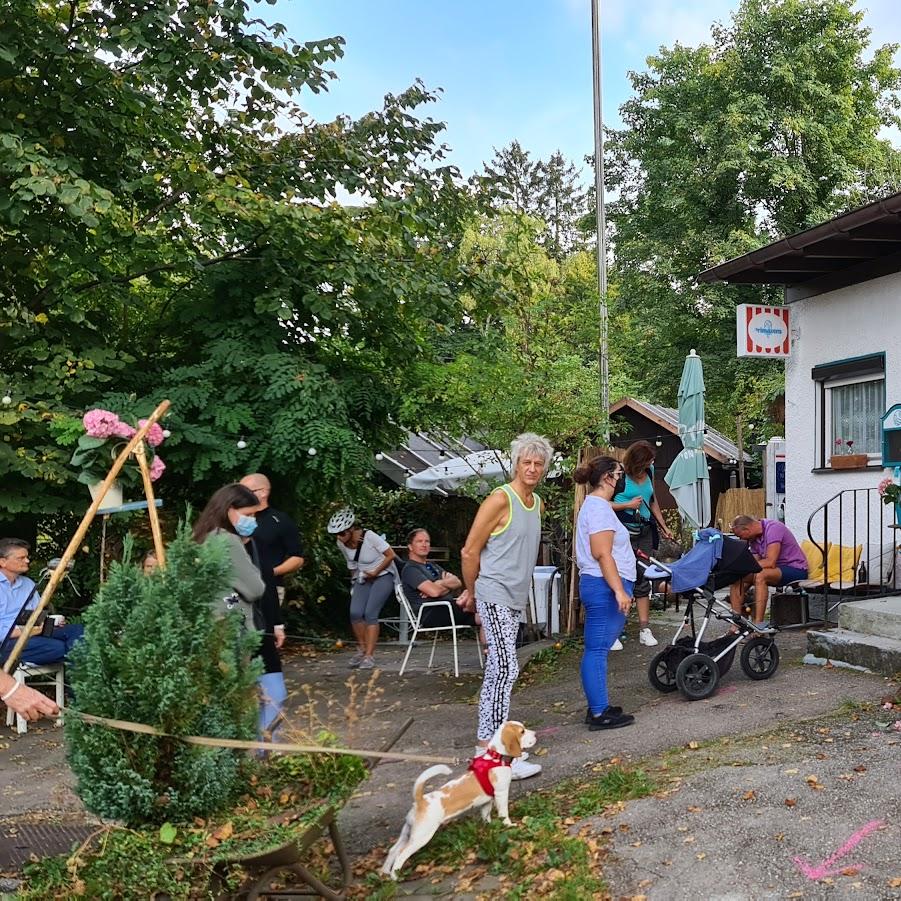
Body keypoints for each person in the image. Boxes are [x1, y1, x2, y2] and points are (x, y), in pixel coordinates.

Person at [460, 432, 552, 780]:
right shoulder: (501, 499)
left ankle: (490, 752)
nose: (532, 468)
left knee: (499, 671)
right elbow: (470, 551)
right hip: (493, 591)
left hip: (515, 597)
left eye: (538, 463)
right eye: (526, 462)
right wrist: (473, 593)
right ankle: (494, 756)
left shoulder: (536, 503)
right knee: (504, 669)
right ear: (516, 464)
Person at [192, 484, 271, 735]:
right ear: (229, 510)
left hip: (207, 629)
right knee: (238, 704)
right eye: (248, 514)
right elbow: (255, 588)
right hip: (231, 631)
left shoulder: (201, 538)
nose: (252, 520)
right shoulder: (227, 540)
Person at [573, 456, 636, 730]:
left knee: (598, 648)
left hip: (603, 584)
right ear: (608, 477)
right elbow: (602, 553)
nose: (622, 479)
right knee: (597, 649)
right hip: (603, 586)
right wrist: (619, 590)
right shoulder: (598, 509)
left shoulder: (598, 506)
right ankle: (599, 713)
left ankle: (599, 706)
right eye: (620, 474)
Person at [239, 473, 305, 732]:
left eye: (245, 490)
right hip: (238, 595)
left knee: (265, 634)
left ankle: (266, 724)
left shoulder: (279, 520)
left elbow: (297, 556)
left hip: (270, 587)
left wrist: (270, 572)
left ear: (263, 492)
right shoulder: (234, 525)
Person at [611, 440, 673, 648]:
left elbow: (652, 500)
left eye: (651, 460)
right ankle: (615, 631)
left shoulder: (650, 471)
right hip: (622, 535)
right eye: (647, 461)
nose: (651, 463)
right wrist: (627, 505)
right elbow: (601, 503)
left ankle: (644, 629)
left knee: (643, 576)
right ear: (636, 462)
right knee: (620, 579)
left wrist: (663, 526)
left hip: (645, 531)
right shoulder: (619, 476)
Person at [327, 508, 397, 670]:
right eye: (336, 534)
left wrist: (376, 571)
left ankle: (369, 656)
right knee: (355, 612)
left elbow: (391, 555)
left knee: (370, 613)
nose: (339, 537)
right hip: (363, 576)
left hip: (383, 575)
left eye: (342, 533)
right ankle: (362, 649)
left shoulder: (369, 537)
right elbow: (352, 564)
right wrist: (354, 584)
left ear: (351, 529)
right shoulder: (341, 543)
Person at [0, 538, 84, 667]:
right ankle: (78, 671)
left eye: (27, 557)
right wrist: (27, 631)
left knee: (77, 631)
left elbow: (37, 614)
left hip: (34, 632)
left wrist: (51, 622)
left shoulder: (28, 584)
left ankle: (79, 675)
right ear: (3, 562)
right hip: (7, 641)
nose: (27, 561)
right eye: (21, 558)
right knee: (57, 647)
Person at [729, 515, 808, 628]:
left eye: (740, 536)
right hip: (775, 571)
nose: (742, 539)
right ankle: (736, 625)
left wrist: (745, 567)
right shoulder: (753, 539)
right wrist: (740, 570)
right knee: (737, 577)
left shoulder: (774, 528)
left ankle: (759, 625)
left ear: (747, 529)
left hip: (795, 569)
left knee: (761, 575)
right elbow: (755, 563)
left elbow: (770, 562)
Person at [401, 528, 477, 629]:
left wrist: (439, 583)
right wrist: (447, 585)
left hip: (448, 608)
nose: (424, 544)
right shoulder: (411, 569)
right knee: (482, 607)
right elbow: (435, 592)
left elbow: (457, 582)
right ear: (410, 546)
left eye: (427, 541)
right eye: (419, 541)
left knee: (486, 616)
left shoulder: (432, 565)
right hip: (431, 613)